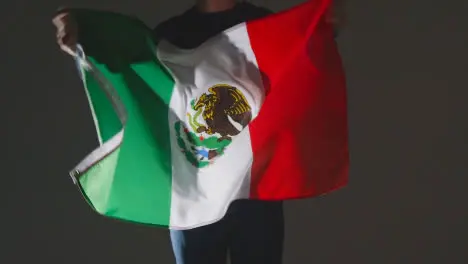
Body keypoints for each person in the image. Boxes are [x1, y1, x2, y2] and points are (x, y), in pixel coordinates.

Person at [53, 1, 343, 263]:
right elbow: (130, 77)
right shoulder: (171, 35)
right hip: (193, 199)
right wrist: (84, 44)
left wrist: (323, 23)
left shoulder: (261, 24)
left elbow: (299, 58)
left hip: (255, 196)